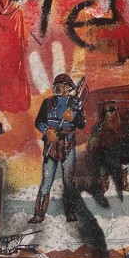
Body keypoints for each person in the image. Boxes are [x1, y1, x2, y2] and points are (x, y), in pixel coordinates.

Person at [33, 75, 86, 222]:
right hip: (50, 145)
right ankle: (39, 214)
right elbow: (39, 121)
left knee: (68, 180)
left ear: (69, 87)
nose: (58, 87)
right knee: (46, 179)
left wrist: (73, 119)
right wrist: (46, 131)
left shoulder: (75, 103)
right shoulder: (48, 102)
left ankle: (70, 212)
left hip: (68, 145)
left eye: (62, 84)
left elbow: (82, 123)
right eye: (56, 84)